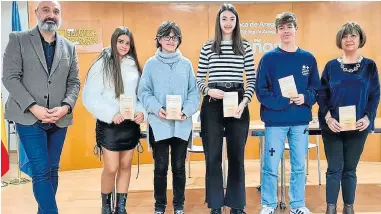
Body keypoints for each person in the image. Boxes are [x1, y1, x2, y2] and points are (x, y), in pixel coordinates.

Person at [2, 1, 80, 213]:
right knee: (41, 171)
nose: (51, 15)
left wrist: (66, 106)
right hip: (29, 118)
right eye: (46, 10)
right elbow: (10, 78)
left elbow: (74, 82)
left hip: (59, 118)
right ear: (36, 13)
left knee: (53, 170)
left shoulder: (69, 47)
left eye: (56, 11)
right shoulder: (18, 40)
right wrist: (33, 107)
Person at [255, 12, 320, 214]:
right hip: (275, 121)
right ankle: (268, 204)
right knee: (271, 165)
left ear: (295, 29)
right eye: (281, 28)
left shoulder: (308, 58)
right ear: (276, 32)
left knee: (299, 165)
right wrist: (282, 101)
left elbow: (316, 89)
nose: (286, 31)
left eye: (289, 27)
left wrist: (306, 97)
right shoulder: (268, 59)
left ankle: (298, 205)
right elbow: (261, 91)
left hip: (300, 121)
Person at [196, 3, 256, 214]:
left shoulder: (245, 47)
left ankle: (237, 205)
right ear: (218, 22)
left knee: (236, 155)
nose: (228, 23)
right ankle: (215, 205)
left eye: (232, 18)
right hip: (213, 103)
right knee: (212, 156)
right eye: (224, 19)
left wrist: (244, 102)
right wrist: (208, 91)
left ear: (236, 21)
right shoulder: (208, 47)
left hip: (237, 102)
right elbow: (198, 79)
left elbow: (252, 79)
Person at [138, 21, 200, 214]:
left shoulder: (186, 64)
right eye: (167, 37)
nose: (171, 41)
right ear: (159, 39)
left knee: (179, 167)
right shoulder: (151, 64)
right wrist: (157, 108)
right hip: (159, 124)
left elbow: (194, 93)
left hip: (182, 125)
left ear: (179, 40)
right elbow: (144, 92)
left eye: (174, 37)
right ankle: (159, 206)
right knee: (160, 167)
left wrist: (187, 110)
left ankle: (179, 205)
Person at [317, 22, 380, 214]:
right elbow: (322, 94)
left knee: (350, 169)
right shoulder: (331, 67)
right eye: (345, 36)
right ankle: (330, 208)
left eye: (353, 36)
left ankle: (349, 208)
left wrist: (369, 118)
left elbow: (375, 95)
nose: (349, 39)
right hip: (333, 126)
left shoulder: (369, 66)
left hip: (358, 127)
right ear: (340, 40)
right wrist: (328, 117)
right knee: (334, 168)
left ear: (360, 39)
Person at [82, 26, 146, 214]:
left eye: (128, 43)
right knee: (112, 167)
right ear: (114, 41)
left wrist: (141, 111)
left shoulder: (134, 65)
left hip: (130, 124)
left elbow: (140, 94)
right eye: (121, 41)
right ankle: (105, 207)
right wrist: (111, 114)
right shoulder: (101, 64)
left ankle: (121, 208)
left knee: (126, 166)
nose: (124, 46)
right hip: (109, 124)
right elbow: (90, 97)